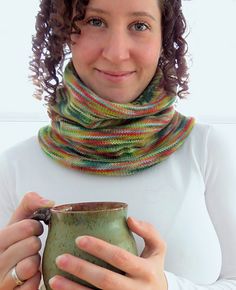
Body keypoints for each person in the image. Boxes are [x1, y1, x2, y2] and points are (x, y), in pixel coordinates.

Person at [0, 0, 235, 289]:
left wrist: (167, 287)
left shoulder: (209, 151)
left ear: (164, 36)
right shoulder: (11, 168)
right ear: (64, 30)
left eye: (139, 25)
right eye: (95, 22)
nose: (116, 53)